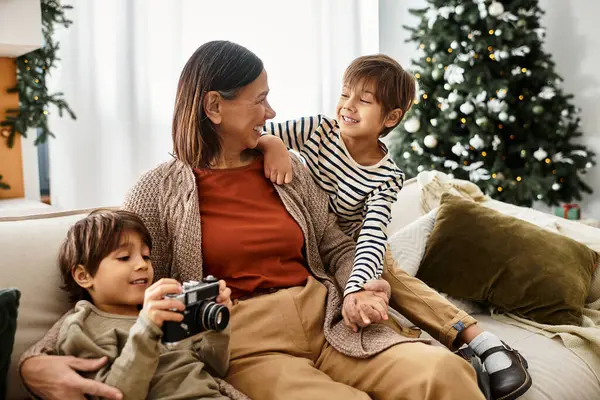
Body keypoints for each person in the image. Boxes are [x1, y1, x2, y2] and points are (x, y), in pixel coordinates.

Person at [20, 40, 489, 400]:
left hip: (327, 318)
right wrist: (33, 362)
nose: (272, 113)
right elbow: (115, 281)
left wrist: (359, 286)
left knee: (444, 373)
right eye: (260, 100)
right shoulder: (156, 191)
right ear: (214, 107)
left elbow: (336, 244)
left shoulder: (286, 169)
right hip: (248, 342)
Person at [257, 54, 532, 400]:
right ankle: (443, 355)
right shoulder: (316, 129)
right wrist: (274, 144)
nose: (348, 106)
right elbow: (253, 134)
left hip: (357, 247)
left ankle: (483, 341)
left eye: (364, 100)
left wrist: (358, 287)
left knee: (388, 281)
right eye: (345, 95)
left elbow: (372, 236)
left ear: (391, 117)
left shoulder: (388, 177)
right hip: (310, 244)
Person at [52, 209, 233, 399]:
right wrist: (147, 328)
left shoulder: (166, 308)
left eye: (146, 256)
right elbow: (114, 395)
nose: (142, 265)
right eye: (124, 257)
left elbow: (214, 369)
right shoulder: (84, 326)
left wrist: (218, 326)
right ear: (84, 276)